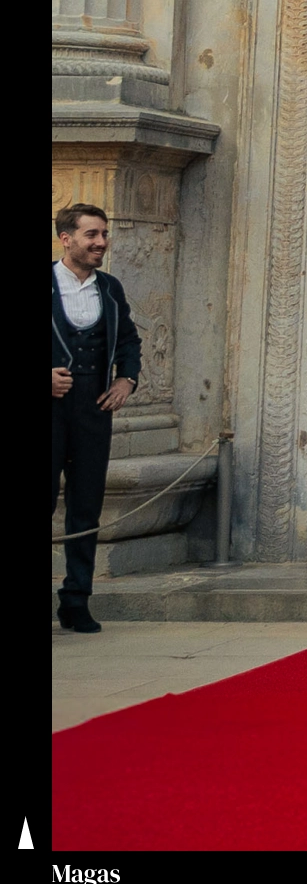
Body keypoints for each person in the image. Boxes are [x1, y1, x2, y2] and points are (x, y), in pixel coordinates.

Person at [51, 203, 142, 634]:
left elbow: (128, 339)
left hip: (94, 407)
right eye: (92, 235)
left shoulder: (109, 288)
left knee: (86, 506)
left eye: (104, 234)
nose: (101, 242)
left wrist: (126, 380)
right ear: (66, 238)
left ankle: (76, 600)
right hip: (51, 406)